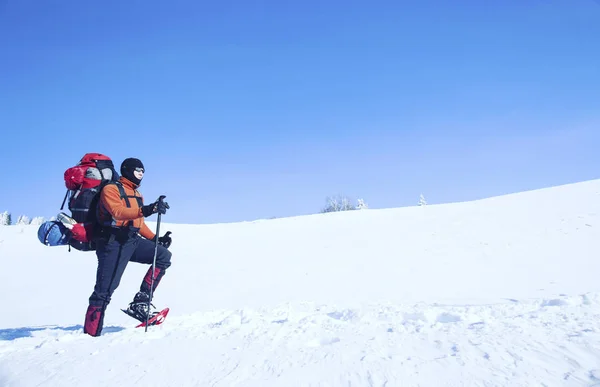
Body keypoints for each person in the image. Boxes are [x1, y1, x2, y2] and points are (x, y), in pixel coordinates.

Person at [83, 157, 172, 337]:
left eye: (143, 172)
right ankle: (90, 335)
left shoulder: (137, 195)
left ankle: (141, 303)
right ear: (128, 170)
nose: (141, 175)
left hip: (131, 240)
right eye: (138, 171)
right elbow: (118, 212)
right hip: (112, 242)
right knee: (105, 289)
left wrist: (156, 239)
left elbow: (137, 222)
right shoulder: (110, 189)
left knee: (162, 256)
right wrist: (147, 209)